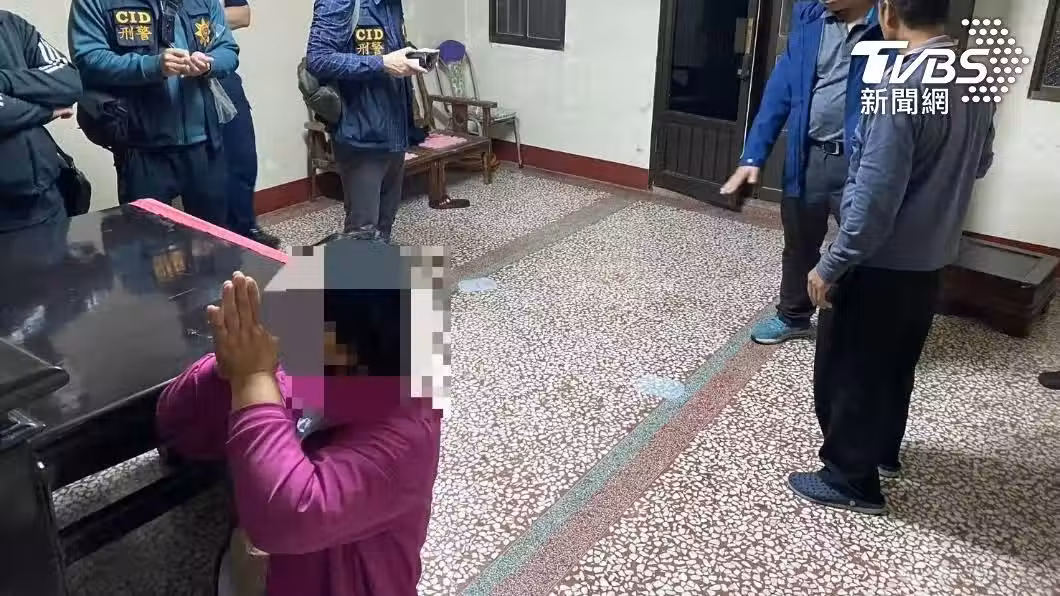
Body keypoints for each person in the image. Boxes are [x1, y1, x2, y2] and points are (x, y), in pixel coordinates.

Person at [786, 0, 996, 515]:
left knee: (849, 369)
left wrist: (833, 261)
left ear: (888, 12)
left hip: (879, 261)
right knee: (894, 364)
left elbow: (875, 197)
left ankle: (849, 479)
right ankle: (881, 451)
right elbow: (981, 162)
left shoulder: (898, 86)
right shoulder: (971, 77)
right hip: (930, 259)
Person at [156, 269, 442, 595]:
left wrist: (251, 381)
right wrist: (227, 370)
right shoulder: (304, 374)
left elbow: (285, 517)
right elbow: (174, 420)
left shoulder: (407, 437)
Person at [720, 0, 880, 345]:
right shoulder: (809, 17)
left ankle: (861, 326)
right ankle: (793, 317)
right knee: (799, 242)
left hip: (864, 162)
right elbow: (780, 90)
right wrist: (753, 156)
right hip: (809, 156)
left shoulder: (891, 23)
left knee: (866, 248)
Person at [68, 0, 239, 227]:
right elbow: (88, 59)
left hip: (205, 143)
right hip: (142, 146)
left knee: (213, 233)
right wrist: (153, 66)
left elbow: (228, 49)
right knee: (147, 238)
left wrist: (209, 64)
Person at [306, 0, 459, 243]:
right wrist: (382, 64)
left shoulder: (392, 5)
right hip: (361, 134)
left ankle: (374, 266)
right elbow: (318, 59)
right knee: (362, 231)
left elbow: (388, 55)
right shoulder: (341, 2)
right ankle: (333, 266)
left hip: (395, 131)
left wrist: (409, 58)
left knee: (384, 227)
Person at [0, 10, 83, 233]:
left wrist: (5, 81)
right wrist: (46, 111)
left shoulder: (12, 24)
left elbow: (69, 80)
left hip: (47, 201)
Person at [220, 0, 281, 249]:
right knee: (199, 167)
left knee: (242, 156)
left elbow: (242, 15)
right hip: (175, 77)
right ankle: (215, 236)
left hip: (221, 72)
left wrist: (198, 17)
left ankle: (245, 227)